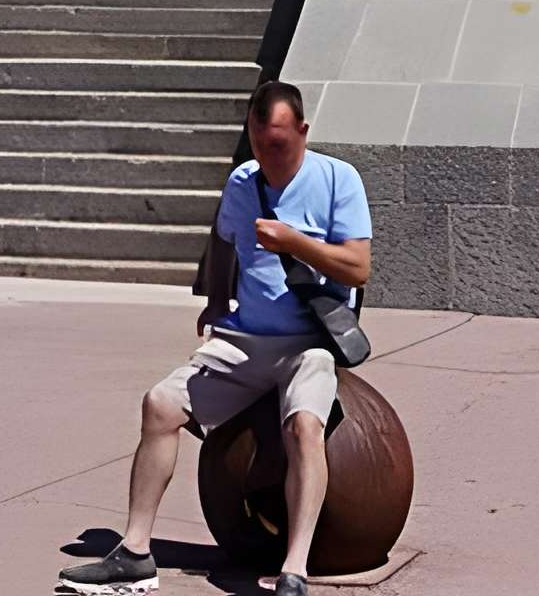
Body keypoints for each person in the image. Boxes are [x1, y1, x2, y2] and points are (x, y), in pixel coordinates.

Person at [60, 80, 372, 595]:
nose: (268, 155)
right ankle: (136, 553)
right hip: (245, 340)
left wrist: (294, 241)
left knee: (304, 429)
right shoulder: (243, 182)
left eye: (279, 144)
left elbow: (358, 267)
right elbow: (225, 239)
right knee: (159, 404)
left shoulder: (339, 179)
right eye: (258, 143)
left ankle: (294, 568)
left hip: (308, 344)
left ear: (302, 130)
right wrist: (215, 297)